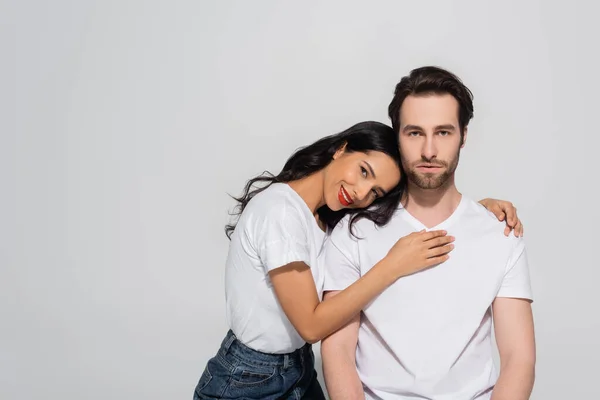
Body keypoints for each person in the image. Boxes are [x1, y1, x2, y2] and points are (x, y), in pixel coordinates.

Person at [193, 121, 522, 400]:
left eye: (376, 192)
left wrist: (474, 212)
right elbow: (311, 325)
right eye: (363, 171)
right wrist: (392, 267)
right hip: (246, 378)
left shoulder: (322, 217)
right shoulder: (280, 212)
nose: (361, 193)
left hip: (297, 368)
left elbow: (402, 216)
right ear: (341, 148)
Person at [321, 66, 535, 400]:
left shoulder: (500, 233)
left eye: (444, 132)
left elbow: (519, 359)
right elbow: (337, 353)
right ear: (397, 136)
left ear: (464, 135)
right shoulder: (355, 232)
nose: (430, 151)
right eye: (415, 133)